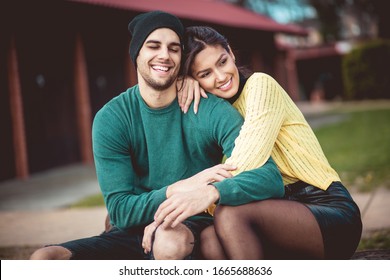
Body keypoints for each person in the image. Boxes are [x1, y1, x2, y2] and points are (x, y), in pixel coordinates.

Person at [30, 11, 283, 260]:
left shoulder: (211, 109)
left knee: (168, 241)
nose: (164, 55)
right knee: (45, 258)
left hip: (189, 228)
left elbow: (268, 176)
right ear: (137, 53)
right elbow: (120, 211)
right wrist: (178, 189)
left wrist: (210, 192)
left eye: (174, 48)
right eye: (153, 46)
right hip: (131, 233)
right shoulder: (112, 118)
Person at [176, 25, 362, 259]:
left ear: (231, 53)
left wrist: (206, 194)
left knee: (229, 214)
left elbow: (247, 161)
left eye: (222, 62)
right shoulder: (216, 113)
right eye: (205, 74)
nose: (221, 76)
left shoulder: (261, 85)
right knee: (209, 239)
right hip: (275, 214)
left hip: (326, 208)